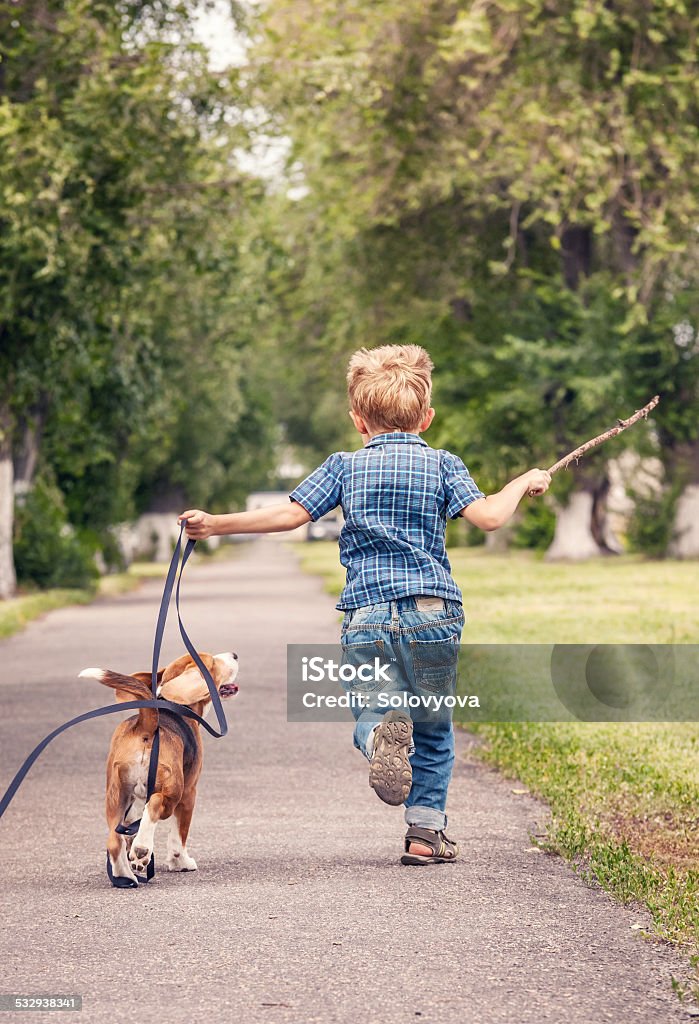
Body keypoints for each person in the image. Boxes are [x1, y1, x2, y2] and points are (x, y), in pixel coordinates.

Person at [178, 344, 550, 865]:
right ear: (426, 417)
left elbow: (287, 516)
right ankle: (424, 834)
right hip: (431, 614)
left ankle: (378, 737)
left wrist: (215, 523)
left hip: (368, 616)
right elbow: (488, 517)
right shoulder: (444, 465)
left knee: (372, 705)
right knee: (434, 728)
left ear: (357, 419)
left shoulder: (344, 468)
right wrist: (522, 482)